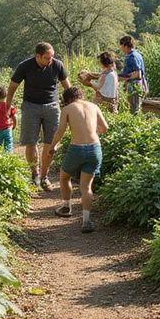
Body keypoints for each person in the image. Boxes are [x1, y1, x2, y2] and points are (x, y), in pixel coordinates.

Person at [5, 42, 71, 190]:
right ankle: (34, 173)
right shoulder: (25, 66)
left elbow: (68, 87)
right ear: (38, 56)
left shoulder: (57, 65)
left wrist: (75, 106)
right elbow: (12, 87)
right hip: (30, 107)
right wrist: (7, 105)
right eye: (47, 57)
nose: (51, 60)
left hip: (52, 107)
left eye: (52, 56)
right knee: (31, 142)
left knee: (51, 143)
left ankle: (44, 177)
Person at [49, 86, 108, 233]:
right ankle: (86, 221)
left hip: (76, 149)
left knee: (64, 176)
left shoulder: (68, 109)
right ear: (80, 95)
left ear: (67, 99)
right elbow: (104, 127)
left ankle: (66, 206)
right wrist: (94, 134)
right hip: (95, 148)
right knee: (86, 186)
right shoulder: (93, 106)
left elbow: (61, 130)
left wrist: (52, 146)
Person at [118, 34, 147, 114]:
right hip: (139, 85)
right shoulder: (137, 54)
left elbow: (138, 74)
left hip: (134, 86)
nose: (120, 48)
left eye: (121, 46)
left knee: (134, 110)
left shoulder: (132, 56)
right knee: (136, 108)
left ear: (125, 45)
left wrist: (125, 78)